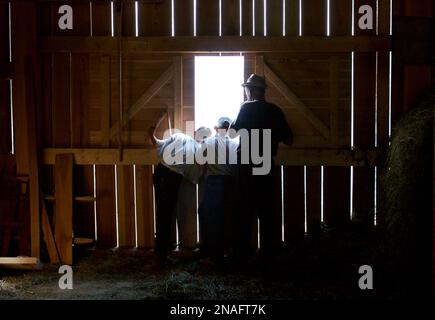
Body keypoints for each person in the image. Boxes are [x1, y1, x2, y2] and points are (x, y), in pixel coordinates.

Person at [230, 74, 293, 262]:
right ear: (263, 91)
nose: (246, 93)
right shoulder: (275, 110)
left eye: (247, 90)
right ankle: (268, 254)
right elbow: (289, 140)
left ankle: (241, 255)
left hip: (246, 165)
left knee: (244, 210)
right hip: (265, 164)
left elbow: (233, 133)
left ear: (252, 91)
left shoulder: (245, 108)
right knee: (267, 211)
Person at [149, 112, 211, 264]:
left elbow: (156, 142)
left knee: (163, 213)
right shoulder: (198, 151)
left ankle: (161, 251)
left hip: (160, 171)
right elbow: (195, 178)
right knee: (166, 214)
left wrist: (154, 127)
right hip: (172, 178)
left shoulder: (180, 136)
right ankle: (161, 254)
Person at [197, 117, 238, 262]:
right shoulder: (234, 145)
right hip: (229, 182)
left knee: (210, 217)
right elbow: (235, 167)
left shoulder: (207, 142)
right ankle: (225, 251)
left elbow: (200, 162)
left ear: (216, 128)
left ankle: (212, 252)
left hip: (213, 182)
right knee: (226, 216)